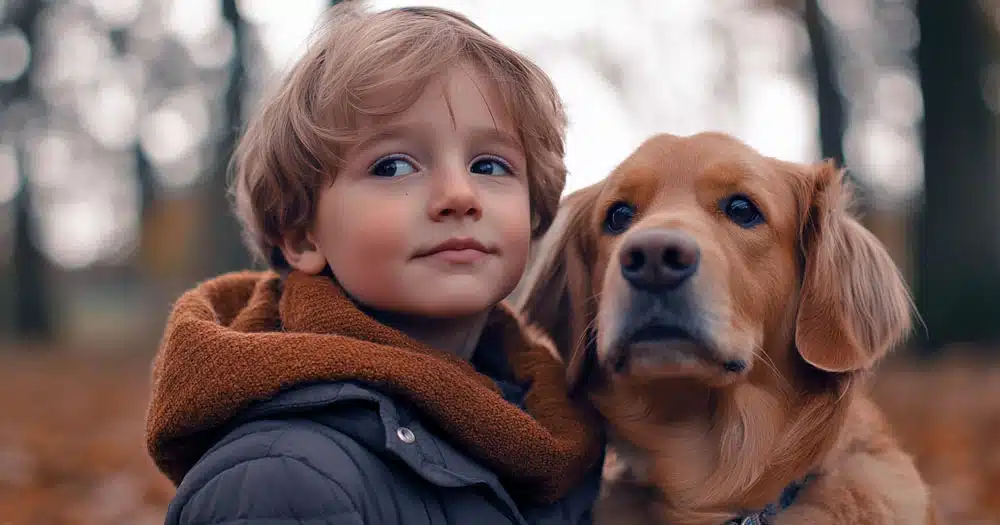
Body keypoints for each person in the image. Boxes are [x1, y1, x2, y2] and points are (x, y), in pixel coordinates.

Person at [144, 3, 605, 524]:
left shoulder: (558, 436)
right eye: (393, 166)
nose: (459, 195)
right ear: (301, 236)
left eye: (490, 165)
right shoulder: (282, 481)